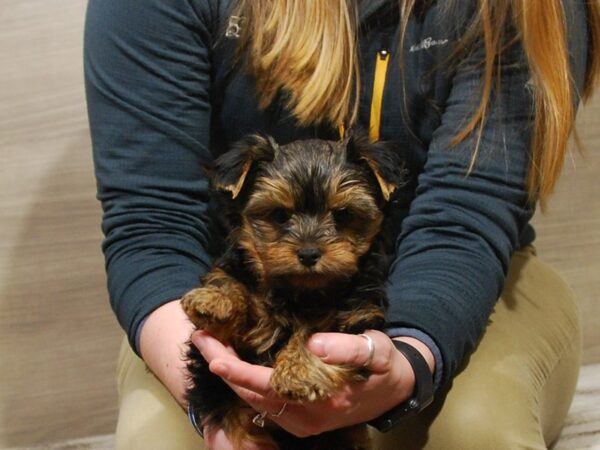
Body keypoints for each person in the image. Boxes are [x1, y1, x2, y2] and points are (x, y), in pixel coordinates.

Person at [84, 1, 600, 449]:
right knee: (161, 440)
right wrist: (214, 386)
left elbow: (466, 216)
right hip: (226, 293)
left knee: (471, 432)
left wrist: (412, 361)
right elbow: (152, 220)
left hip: (469, 276)